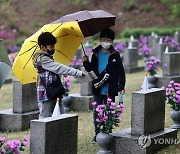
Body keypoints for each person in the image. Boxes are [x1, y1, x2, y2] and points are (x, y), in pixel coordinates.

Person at [82, 28, 126, 143]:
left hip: (110, 88)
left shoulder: (115, 54)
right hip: (97, 87)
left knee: (109, 111)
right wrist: (86, 62)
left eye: (109, 39)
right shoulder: (95, 53)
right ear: (100, 39)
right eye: (104, 39)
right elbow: (91, 70)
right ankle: (97, 134)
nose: (106, 41)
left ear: (112, 41)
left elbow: (121, 71)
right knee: (97, 111)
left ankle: (107, 132)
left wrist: (121, 86)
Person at [33, 32, 85, 119]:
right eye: (51, 46)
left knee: (60, 114)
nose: (53, 48)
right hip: (46, 92)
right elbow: (58, 67)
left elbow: (54, 69)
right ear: (43, 47)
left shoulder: (47, 57)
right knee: (45, 117)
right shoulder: (42, 59)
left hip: (54, 90)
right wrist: (77, 72)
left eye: (54, 45)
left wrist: (61, 73)